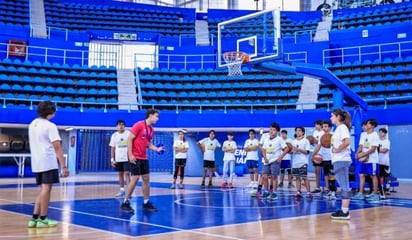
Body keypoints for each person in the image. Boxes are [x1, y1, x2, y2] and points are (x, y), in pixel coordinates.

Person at [27, 101, 69, 228]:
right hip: (48, 161)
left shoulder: (32, 124)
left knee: (42, 190)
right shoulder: (50, 126)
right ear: (51, 112)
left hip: (37, 161)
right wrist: (64, 166)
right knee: (46, 189)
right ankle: (43, 218)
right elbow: (57, 147)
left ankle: (34, 218)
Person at [120, 109, 165, 213]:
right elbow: (129, 139)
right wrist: (130, 154)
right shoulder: (139, 125)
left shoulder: (151, 130)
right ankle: (125, 202)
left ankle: (146, 202)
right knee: (135, 178)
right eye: (156, 116)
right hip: (134, 156)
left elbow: (149, 144)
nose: (157, 119)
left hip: (144, 157)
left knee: (146, 178)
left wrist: (157, 149)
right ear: (150, 115)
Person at [330, 108, 352, 220]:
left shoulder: (342, 128)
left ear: (338, 117)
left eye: (332, 116)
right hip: (338, 160)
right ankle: (344, 210)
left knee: (344, 185)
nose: (330, 118)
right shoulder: (338, 129)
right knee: (343, 184)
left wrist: (338, 149)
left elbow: (347, 141)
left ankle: (345, 211)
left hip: (342, 159)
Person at [352, 118, 380, 201]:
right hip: (364, 159)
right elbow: (361, 146)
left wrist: (363, 154)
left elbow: (373, 148)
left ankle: (375, 193)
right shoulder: (363, 134)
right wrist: (357, 154)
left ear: (372, 126)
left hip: (372, 160)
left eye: (368, 124)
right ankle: (360, 193)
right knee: (361, 175)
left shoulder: (375, 135)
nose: (366, 125)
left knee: (373, 175)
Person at [260, 122, 289, 200]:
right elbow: (264, 149)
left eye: (273, 130)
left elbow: (286, 149)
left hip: (275, 161)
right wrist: (265, 157)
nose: (271, 131)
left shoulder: (279, 139)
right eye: (270, 129)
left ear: (277, 131)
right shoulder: (266, 139)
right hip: (266, 161)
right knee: (264, 176)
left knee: (274, 177)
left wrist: (280, 157)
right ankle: (266, 191)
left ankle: (274, 193)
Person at [312, 120, 336, 200]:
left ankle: (333, 192)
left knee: (332, 175)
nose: (324, 128)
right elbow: (318, 146)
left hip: (332, 158)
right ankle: (328, 189)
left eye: (326, 126)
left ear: (330, 127)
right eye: (323, 127)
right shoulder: (322, 136)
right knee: (326, 175)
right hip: (324, 158)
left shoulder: (333, 135)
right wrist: (313, 155)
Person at [109, 120, 131, 197]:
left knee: (127, 174)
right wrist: (112, 159)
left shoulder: (129, 134)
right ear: (117, 126)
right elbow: (112, 148)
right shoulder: (114, 136)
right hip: (118, 158)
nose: (121, 126)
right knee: (120, 174)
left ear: (124, 126)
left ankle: (129, 191)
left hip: (127, 158)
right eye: (119, 125)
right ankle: (122, 190)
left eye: (122, 125)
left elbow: (132, 145)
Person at [291, 127, 312, 199]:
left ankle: (309, 192)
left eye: (299, 131)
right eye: (296, 131)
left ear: (303, 132)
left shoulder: (306, 141)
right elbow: (291, 152)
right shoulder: (293, 141)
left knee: (304, 177)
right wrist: (290, 151)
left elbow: (307, 152)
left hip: (303, 162)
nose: (298, 132)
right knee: (297, 177)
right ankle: (298, 191)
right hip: (295, 162)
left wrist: (298, 149)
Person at [311, 120, 324, 194]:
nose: (316, 126)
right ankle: (317, 187)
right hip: (316, 154)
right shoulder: (315, 132)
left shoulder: (323, 133)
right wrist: (312, 141)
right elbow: (315, 144)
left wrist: (316, 140)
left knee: (325, 172)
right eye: (315, 125)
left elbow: (321, 143)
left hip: (323, 154)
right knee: (317, 172)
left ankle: (327, 188)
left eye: (317, 124)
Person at [378, 128, 391, 198]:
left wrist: (377, 150)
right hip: (378, 161)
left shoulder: (387, 141)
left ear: (385, 133)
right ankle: (381, 188)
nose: (380, 134)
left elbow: (385, 150)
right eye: (379, 132)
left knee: (387, 175)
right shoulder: (377, 141)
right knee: (380, 176)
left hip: (385, 161)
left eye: (382, 132)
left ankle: (388, 188)